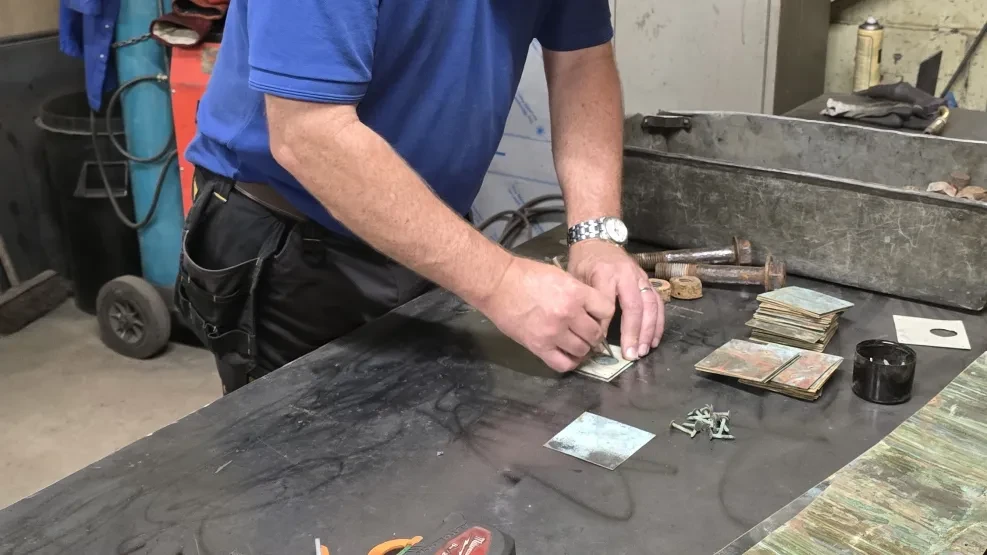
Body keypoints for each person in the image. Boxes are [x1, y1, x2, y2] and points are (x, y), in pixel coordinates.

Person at [178, 0, 665, 394]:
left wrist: (597, 234)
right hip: (288, 240)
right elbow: (309, 134)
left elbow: (582, 58)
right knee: (310, 485)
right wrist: (500, 282)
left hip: (427, 229)